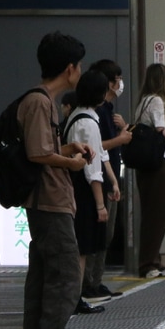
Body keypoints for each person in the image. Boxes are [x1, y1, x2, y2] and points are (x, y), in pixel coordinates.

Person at [18, 31, 95, 329]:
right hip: (49, 202)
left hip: (49, 200)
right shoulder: (38, 102)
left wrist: (67, 150)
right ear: (69, 69)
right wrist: (72, 163)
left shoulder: (42, 102)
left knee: (45, 276)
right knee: (64, 277)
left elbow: (44, 150)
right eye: (78, 65)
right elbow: (36, 153)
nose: (80, 70)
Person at [63, 69, 110, 315]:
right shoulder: (88, 123)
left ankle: (74, 297)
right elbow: (93, 169)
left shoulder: (76, 115)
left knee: (79, 246)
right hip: (82, 188)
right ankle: (75, 298)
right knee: (82, 247)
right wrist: (100, 205)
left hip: (72, 185)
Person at [84, 58, 131, 302]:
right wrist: (121, 139)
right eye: (118, 79)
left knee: (106, 234)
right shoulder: (96, 113)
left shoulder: (109, 112)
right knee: (97, 233)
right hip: (98, 179)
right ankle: (88, 283)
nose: (121, 83)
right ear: (109, 84)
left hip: (109, 176)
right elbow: (97, 148)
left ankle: (96, 281)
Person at [133, 63, 165, 278]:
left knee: (151, 214)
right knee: (158, 215)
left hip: (145, 165)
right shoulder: (156, 101)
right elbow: (161, 135)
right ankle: (147, 264)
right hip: (156, 164)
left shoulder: (142, 101)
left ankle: (153, 260)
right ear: (162, 81)